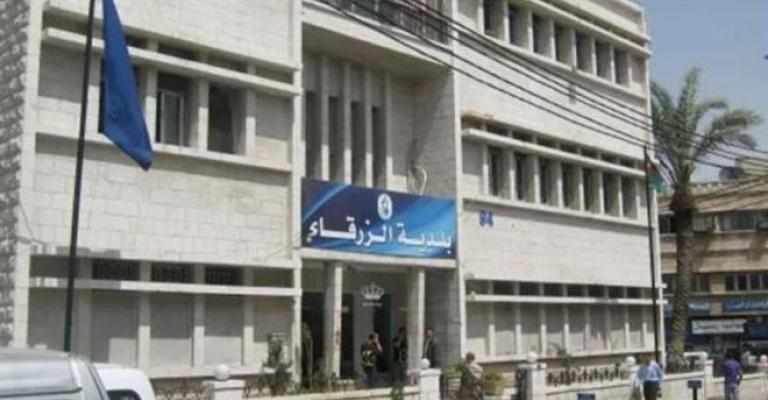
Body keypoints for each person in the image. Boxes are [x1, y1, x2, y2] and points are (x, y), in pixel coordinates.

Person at [300, 323, 314, 388]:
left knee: (309, 369)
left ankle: (310, 385)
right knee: (306, 369)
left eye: (303, 328)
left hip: (308, 354)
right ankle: (308, 384)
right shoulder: (305, 334)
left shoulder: (307, 334)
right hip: (305, 354)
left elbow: (308, 343)